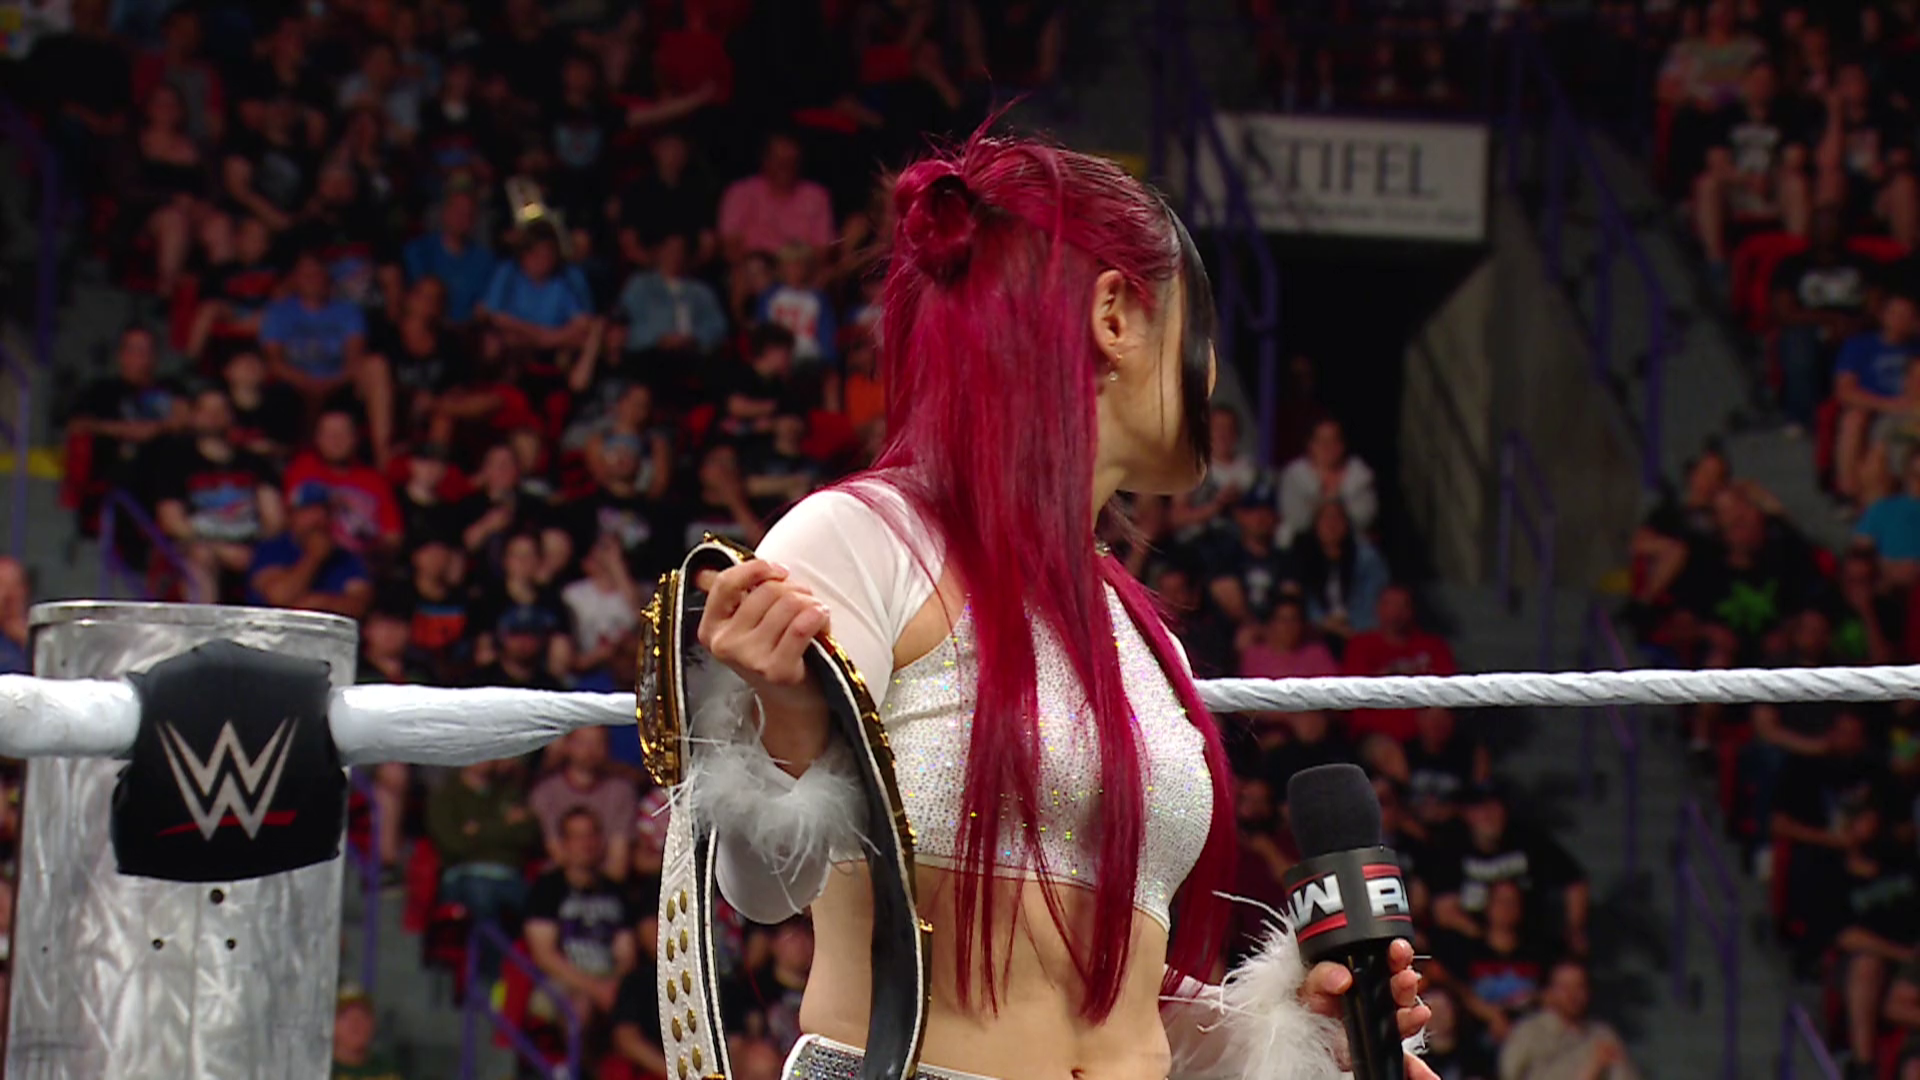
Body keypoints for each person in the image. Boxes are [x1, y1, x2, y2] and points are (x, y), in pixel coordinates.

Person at [684, 131, 1430, 1080]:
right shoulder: (863, 539)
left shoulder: (1141, 634)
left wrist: (1301, 1033)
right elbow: (758, 889)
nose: (1210, 377)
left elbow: (1105, 998)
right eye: (1200, 334)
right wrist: (786, 729)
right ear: (1114, 315)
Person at [525, 808, 636, 1030]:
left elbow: (626, 954)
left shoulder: (616, 891)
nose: (586, 843)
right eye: (577, 836)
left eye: (592, 835)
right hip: (563, 980)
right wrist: (594, 988)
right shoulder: (547, 888)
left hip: (609, 980)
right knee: (581, 1006)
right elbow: (545, 956)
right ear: (564, 844)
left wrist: (613, 984)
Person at [1497, 960, 1639, 1080]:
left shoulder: (1603, 1035)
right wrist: (1591, 1070)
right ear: (1549, 992)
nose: (1572, 995)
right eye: (1564, 988)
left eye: (1579, 987)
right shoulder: (1527, 1033)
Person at [530, 728, 637, 881]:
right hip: (559, 883)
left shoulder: (622, 792)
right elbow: (557, 852)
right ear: (566, 745)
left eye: (597, 743)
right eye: (582, 742)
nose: (590, 750)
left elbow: (618, 859)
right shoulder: (545, 792)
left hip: (608, 884)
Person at [330, 991, 405, 1079]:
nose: (355, 1023)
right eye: (345, 1017)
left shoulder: (388, 1070)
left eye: (363, 1016)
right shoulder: (322, 1069)